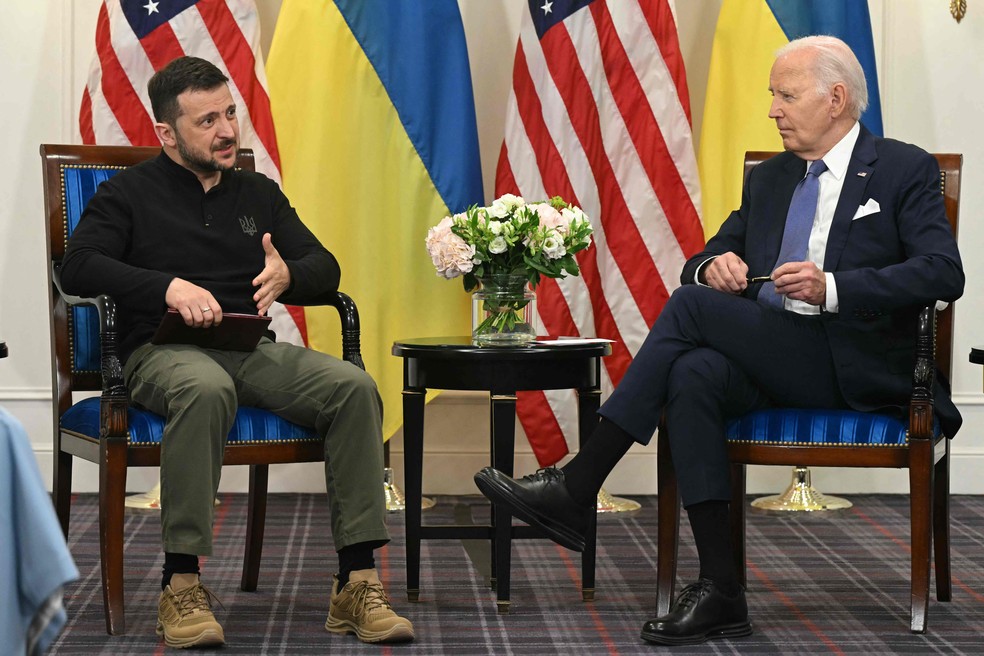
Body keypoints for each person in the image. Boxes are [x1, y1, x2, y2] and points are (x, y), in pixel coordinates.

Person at [474, 35, 963, 646]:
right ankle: (721, 590)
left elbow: (944, 272)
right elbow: (700, 261)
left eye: (786, 95)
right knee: (693, 373)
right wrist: (714, 269)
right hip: (772, 356)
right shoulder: (773, 179)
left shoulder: (902, 169)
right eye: (772, 97)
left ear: (836, 98)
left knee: (690, 314)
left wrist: (834, 286)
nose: (773, 110)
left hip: (853, 364)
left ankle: (580, 483)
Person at [60, 56, 413, 648]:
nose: (227, 130)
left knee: (353, 387)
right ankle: (181, 584)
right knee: (204, 387)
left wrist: (288, 278)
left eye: (230, 113)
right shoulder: (127, 194)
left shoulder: (258, 192)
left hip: (250, 348)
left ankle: (356, 580)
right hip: (159, 351)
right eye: (207, 121)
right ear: (167, 133)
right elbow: (78, 265)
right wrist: (166, 286)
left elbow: (324, 265)